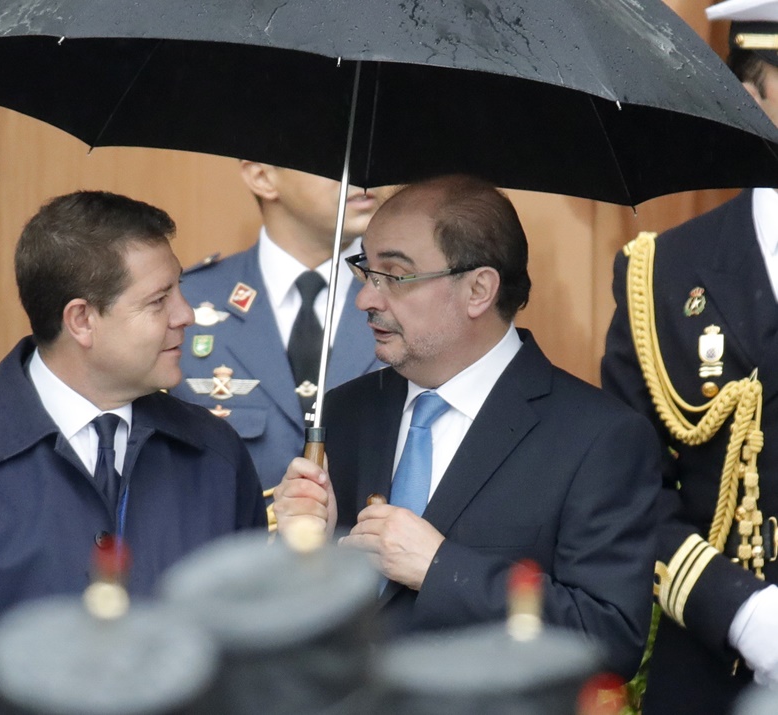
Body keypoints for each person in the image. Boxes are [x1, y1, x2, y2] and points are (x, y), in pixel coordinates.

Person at [0, 191, 267, 715]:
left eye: (180, 292)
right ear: (81, 319)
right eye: (159, 300)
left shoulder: (215, 452)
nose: (186, 315)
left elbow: (248, 653)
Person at [272, 174, 660, 680]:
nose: (365, 299)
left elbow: (607, 640)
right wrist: (304, 554)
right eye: (365, 271)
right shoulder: (343, 416)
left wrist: (440, 569)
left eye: (395, 275)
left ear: (479, 289)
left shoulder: (598, 437)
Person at [601, 1, 778, 710]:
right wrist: (743, 612)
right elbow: (624, 493)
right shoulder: (663, 276)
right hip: (717, 669)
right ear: (754, 90)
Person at [170, 163, 387, 490]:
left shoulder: (409, 298)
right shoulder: (187, 302)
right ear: (262, 176)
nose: (361, 173)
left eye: (365, 155)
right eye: (334, 159)